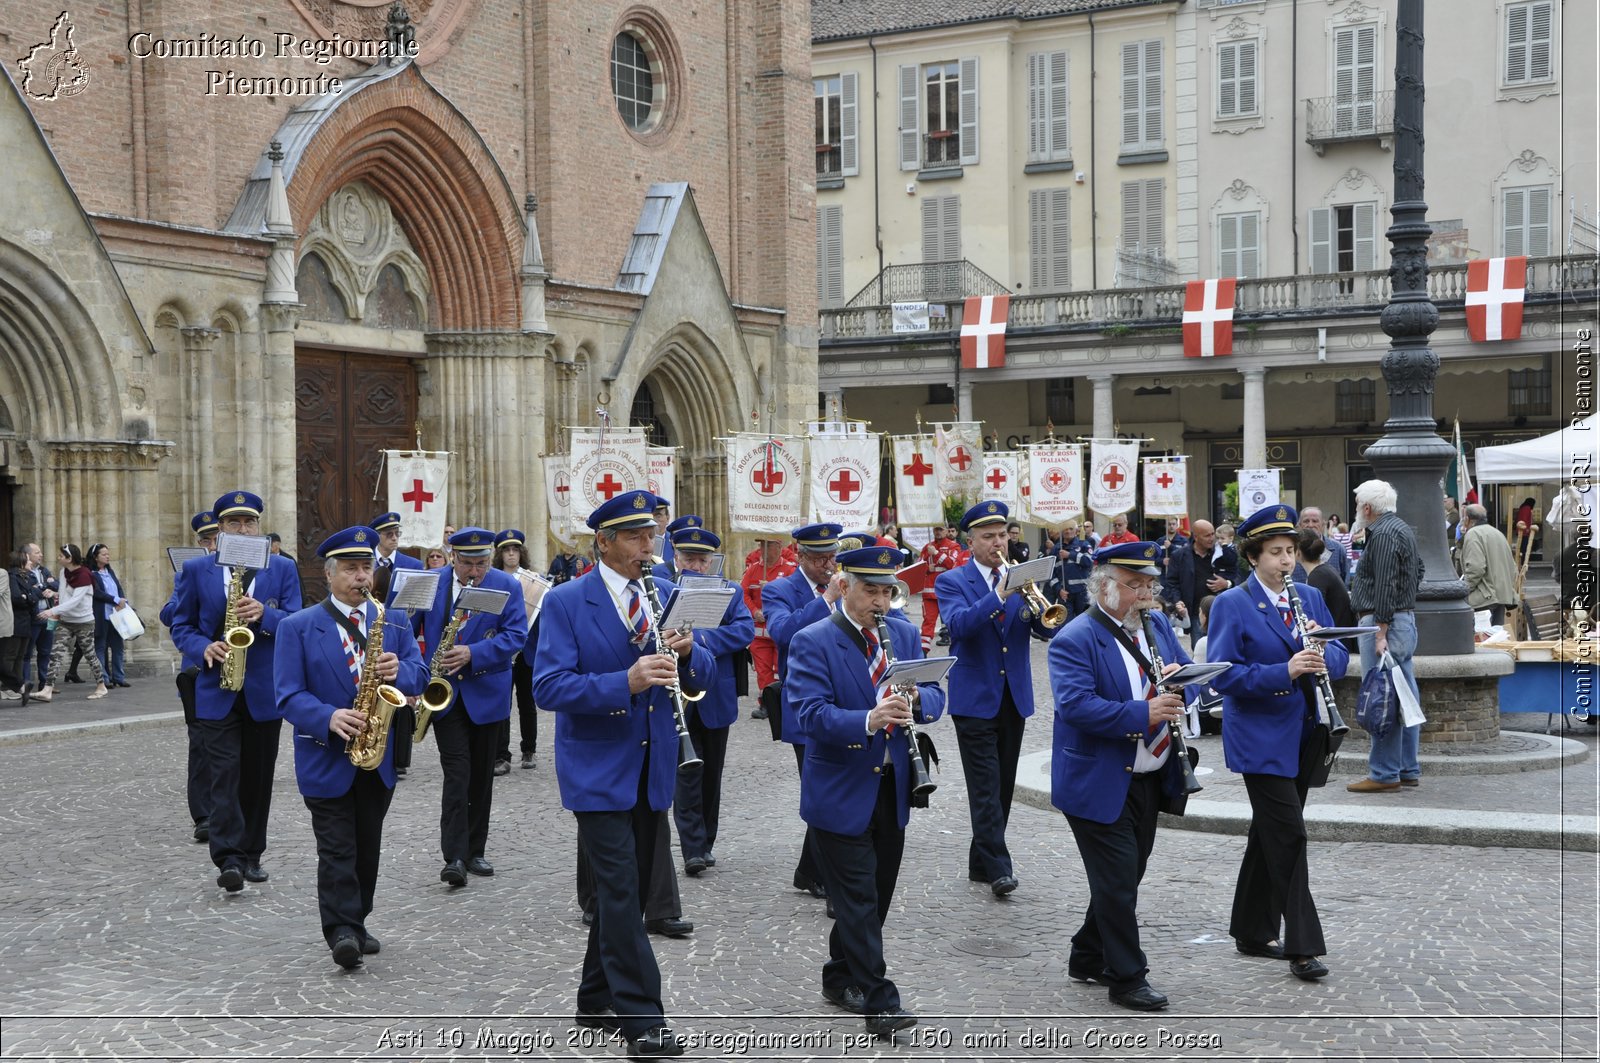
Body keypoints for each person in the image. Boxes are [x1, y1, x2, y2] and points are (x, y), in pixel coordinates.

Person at [532, 489, 712, 1058]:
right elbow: (548, 687)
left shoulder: (663, 593)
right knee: (617, 889)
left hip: (653, 762)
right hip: (596, 767)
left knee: (626, 893)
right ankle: (644, 1019)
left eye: (651, 535)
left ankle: (593, 998)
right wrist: (624, 682)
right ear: (604, 543)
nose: (648, 547)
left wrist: (687, 654)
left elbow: (701, 670)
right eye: (636, 537)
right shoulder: (567, 602)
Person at [786, 543, 946, 1038]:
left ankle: (839, 975)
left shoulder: (900, 632)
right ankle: (881, 1001)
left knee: (875, 897)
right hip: (838, 787)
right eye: (870, 591)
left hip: (893, 784)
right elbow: (807, 714)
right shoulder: (812, 640)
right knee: (856, 898)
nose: (880, 602)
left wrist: (920, 699)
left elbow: (937, 694)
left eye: (886, 592)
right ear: (845, 587)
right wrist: (868, 719)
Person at [1047, 541, 1194, 1011]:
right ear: (1104, 588)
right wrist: (1143, 711)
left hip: (1149, 774)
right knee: (1115, 881)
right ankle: (1127, 977)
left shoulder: (1155, 626)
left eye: (1149, 585)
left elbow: (1180, 680)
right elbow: (1076, 706)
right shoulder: (1075, 637)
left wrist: (1180, 677)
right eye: (1135, 586)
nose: (1146, 595)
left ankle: (1087, 954)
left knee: (1129, 874)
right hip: (1097, 779)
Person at [1206, 505, 1350, 983]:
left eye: (1290, 551)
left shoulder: (1309, 595)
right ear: (1253, 557)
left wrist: (1326, 655)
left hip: (1306, 733)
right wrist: (1285, 671)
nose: (1285, 561)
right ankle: (1303, 946)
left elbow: (1342, 651)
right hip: (1260, 737)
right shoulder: (1233, 603)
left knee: (1269, 832)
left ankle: (1250, 928)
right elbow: (1224, 676)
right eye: (1274, 553)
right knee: (1289, 834)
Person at [275, 526, 429, 968]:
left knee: (367, 845)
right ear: (329, 575)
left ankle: (357, 921)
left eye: (366, 568)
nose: (361, 577)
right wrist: (328, 716)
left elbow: (420, 676)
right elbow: (287, 694)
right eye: (351, 569)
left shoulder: (393, 620)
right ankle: (341, 929)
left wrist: (401, 669)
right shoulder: (297, 627)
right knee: (337, 847)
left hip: (375, 759)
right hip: (325, 756)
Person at [170, 490, 303, 890]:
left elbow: (297, 621)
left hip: (264, 689)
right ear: (221, 529)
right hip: (216, 686)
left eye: (249, 523)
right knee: (224, 774)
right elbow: (181, 625)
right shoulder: (198, 571)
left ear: (259, 528)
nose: (242, 529)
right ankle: (228, 857)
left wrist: (267, 614)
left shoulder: (281, 568)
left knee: (257, 777)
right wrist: (202, 647)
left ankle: (251, 853)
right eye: (233, 523)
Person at [936, 501, 1053, 897]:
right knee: (985, 786)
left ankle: (979, 861)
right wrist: (1000, 595)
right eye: (988, 537)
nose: (998, 543)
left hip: (1013, 696)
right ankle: (1000, 867)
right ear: (971, 542)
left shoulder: (1021, 578)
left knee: (1001, 786)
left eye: (1002, 535)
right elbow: (958, 626)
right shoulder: (953, 581)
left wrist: (1042, 606)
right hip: (973, 698)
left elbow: (1044, 631)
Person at [414, 527, 528, 885]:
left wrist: (473, 653)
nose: (475, 572)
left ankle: (476, 849)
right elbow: (403, 630)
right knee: (457, 774)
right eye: (467, 564)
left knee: (481, 776)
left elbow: (516, 636)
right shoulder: (430, 582)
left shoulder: (505, 585)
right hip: (444, 694)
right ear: (452, 557)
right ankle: (455, 856)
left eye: (481, 563)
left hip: (487, 693)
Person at [762, 522, 845, 907]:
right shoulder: (778, 589)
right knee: (821, 789)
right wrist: (826, 599)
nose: (829, 563)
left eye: (832, 555)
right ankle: (826, 874)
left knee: (834, 788)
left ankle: (809, 870)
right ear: (799, 555)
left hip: (847, 702)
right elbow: (783, 634)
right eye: (819, 557)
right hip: (805, 706)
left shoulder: (849, 585)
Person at [669, 526, 755, 875]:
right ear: (677, 559)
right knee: (685, 774)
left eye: (703, 560)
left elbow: (745, 630)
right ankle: (692, 847)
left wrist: (698, 640)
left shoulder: (730, 591)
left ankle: (706, 841)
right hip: (677, 696)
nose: (698, 566)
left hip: (716, 693)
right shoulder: (665, 590)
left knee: (711, 776)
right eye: (690, 559)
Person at [1347, 479, 1423, 793]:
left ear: (1367, 508)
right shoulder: (1401, 528)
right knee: (1402, 695)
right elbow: (1417, 570)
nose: (1356, 511)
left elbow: (1386, 584)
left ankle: (1383, 772)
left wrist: (1381, 631)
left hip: (1385, 625)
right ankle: (1406, 768)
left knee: (1384, 697)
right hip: (1399, 620)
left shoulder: (1384, 534)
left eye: (1357, 506)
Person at [161, 510, 221, 841]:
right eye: (206, 540)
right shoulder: (190, 573)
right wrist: (187, 588)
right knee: (200, 744)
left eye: (216, 539)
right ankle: (204, 815)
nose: (212, 545)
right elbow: (169, 614)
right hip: (198, 670)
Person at [34, 544, 110, 702]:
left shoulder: (84, 575)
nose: (58, 558)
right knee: (55, 654)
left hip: (84, 622)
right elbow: (65, 594)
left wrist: (51, 611)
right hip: (66, 621)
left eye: (61, 556)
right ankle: (47, 689)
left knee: (90, 654)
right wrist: (54, 593)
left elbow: (75, 601)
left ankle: (101, 686)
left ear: (70, 558)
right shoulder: (64, 572)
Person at [492, 529, 539, 774]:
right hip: (502, 649)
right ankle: (501, 755)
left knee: (527, 702)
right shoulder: (494, 579)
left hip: (526, 650)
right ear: (500, 555)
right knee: (502, 702)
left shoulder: (533, 579)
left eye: (515, 550)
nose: (512, 554)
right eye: (507, 551)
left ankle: (528, 749)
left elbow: (541, 617)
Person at [740, 536, 792, 715]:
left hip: (780, 632)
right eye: (761, 545)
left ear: (779, 547)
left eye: (768, 545)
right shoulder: (753, 570)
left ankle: (783, 702)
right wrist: (755, 611)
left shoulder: (789, 570)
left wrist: (771, 607)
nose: (762, 549)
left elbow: (792, 597)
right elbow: (744, 594)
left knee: (781, 668)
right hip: (759, 633)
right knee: (762, 671)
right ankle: (766, 704)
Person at [1161, 520, 1237, 638]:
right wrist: (1177, 601)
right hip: (1196, 613)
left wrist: (1226, 583)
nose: (1212, 538)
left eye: (1213, 534)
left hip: (1221, 611)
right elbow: (1172, 582)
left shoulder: (1222, 552)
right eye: (1207, 535)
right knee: (1200, 650)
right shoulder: (1179, 555)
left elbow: (1236, 575)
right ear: (1196, 537)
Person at [1459, 504, 1519, 627]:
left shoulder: (1473, 534)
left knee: (1480, 640)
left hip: (1483, 598)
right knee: (1495, 640)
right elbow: (1513, 567)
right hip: (1501, 596)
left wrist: (1465, 590)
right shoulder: (1497, 533)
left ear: (1467, 519)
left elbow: (1476, 568)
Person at [88, 543, 132, 689]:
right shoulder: (92, 574)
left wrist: (122, 600)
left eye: (108, 554)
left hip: (116, 615)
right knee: (100, 647)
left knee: (118, 647)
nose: (107, 556)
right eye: (104, 554)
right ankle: (104, 679)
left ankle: (119, 677)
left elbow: (118, 588)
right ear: (95, 557)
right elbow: (97, 592)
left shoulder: (109, 572)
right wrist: (115, 600)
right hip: (102, 615)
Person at [1297, 532, 1357, 631]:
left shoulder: (1317, 576)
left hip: (1336, 638)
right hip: (1341, 634)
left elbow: (1315, 616)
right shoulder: (1324, 570)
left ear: (1298, 552)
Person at [1, 549, 39, 702]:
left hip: (3, 625)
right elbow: (21, 596)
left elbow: (35, 594)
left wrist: (29, 596)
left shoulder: (3, 574)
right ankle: (21, 686)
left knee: (11, 658)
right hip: (17, 621)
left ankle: (17, 686)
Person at [1295, 508, 1349, 584]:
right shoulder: (1292, 550)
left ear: (1323, 525)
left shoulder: (1338, 549)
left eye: (1315, 521)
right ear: (1300, 525)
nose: (1310, 525)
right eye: (1306, 521)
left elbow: (1345, 580)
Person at [1055, 520, 1095, 620]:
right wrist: (1058, 590)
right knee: (1065, 625)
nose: (1068, 531)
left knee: (1083, 622)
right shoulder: (1056, 549)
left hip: (1082, 593)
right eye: (1065, 529)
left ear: (1076, 530)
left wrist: (1070, 555)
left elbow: (1090, 561)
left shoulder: (1084, 545)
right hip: (1064, 595)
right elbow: (1050, 573)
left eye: (1071, 529)